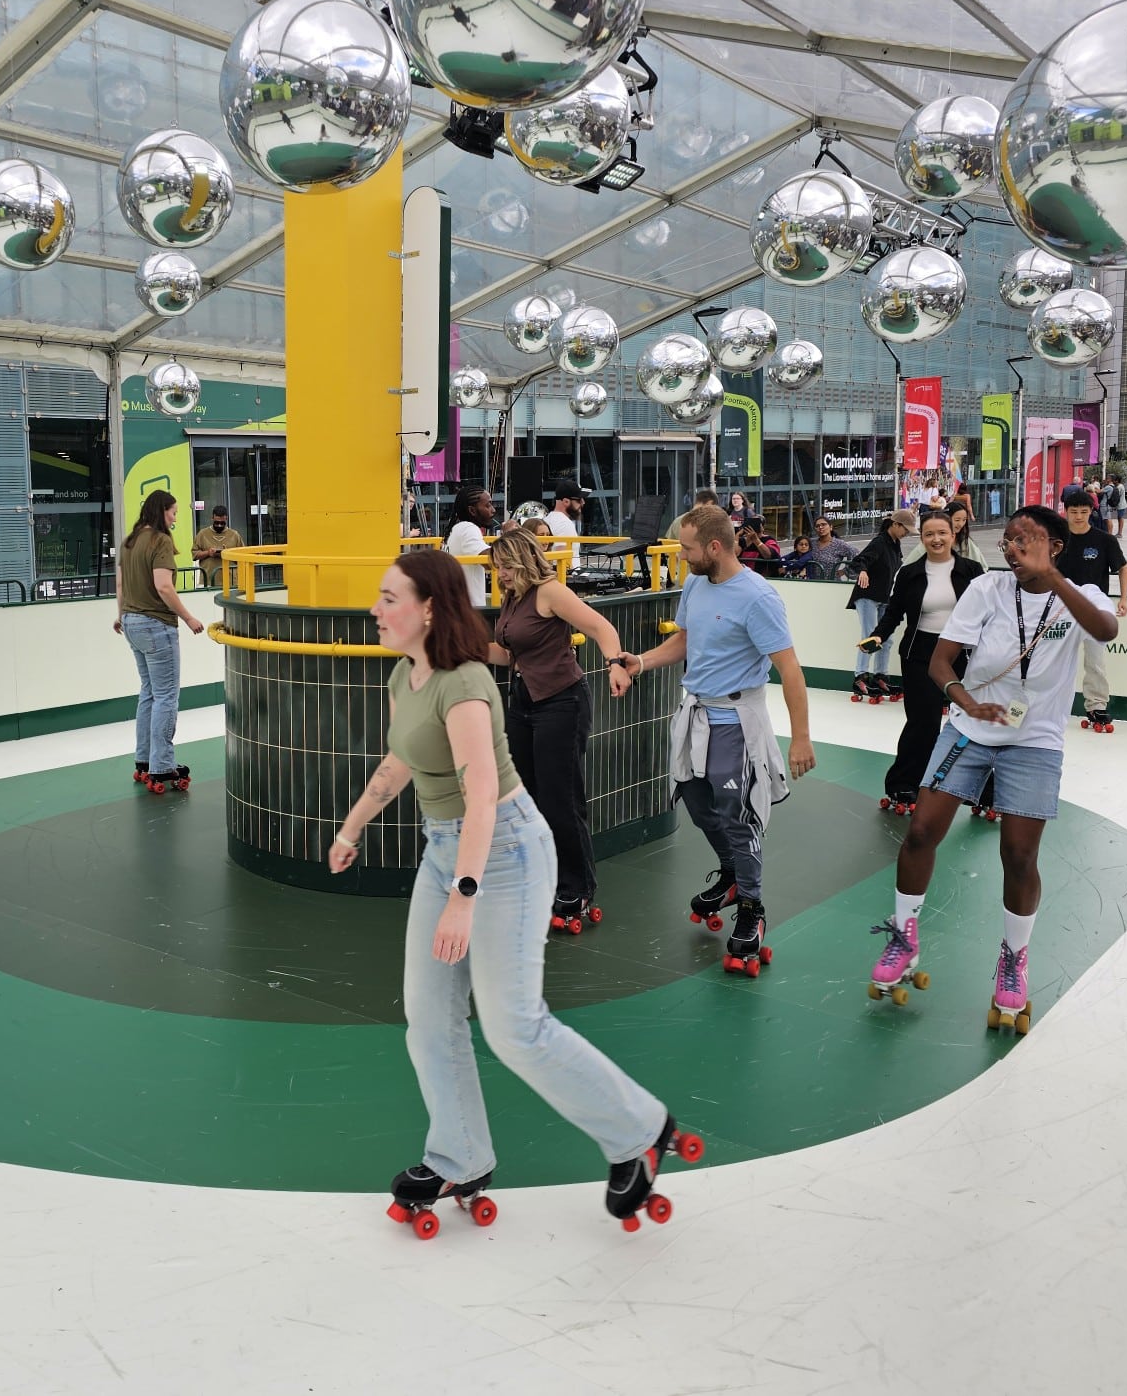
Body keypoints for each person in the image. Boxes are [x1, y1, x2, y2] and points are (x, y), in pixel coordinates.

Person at [328, 549, 699, 1235]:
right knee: (429, 1019)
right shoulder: (406, 678)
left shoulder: (467, 684)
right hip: (448, 852)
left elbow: (483, 798)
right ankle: (458, 1156)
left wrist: (464, 897)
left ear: (431, 607)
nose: (375, 610)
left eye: (389, 598)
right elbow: (403, 758)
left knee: (514, 1027)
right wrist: (352, 826)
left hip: (504, 855)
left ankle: (640, 1132)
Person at [870, 506, 1120, 1024]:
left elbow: (1106, 628)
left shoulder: (1081, 596)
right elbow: (941, 661)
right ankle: (903, 935)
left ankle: (1013, 959)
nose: (1011, 547)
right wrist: (963, 702)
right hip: (969, 728)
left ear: (1054, 545)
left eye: (1024, 539)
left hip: (1036, 741)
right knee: (920, 831)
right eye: (1006, 540)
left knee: (1019, 855)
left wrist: (1054, 579)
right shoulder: (986, 590)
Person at [616, 504, 816, 976]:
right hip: (696, 712)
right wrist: (640, 662)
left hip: (736, 719)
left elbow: (789, 669)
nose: (680, 556)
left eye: (686, 548)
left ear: (714, 546)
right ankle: (731, 874)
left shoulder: (758, 597)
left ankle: (752, 908)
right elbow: (685, 640)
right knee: (696, 802)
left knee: (737, 814)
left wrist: (801, 737)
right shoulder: (694, 585)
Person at [482, 530, 633, 935]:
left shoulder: (550, 591)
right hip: (524, 702)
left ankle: (577, 887)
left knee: (560, 799)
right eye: (497, 568)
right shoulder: (511, 597)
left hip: (562, 702)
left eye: (506, 566)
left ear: (524, 560)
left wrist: (615, 663)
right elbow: (511, 655)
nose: (501, 575)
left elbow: (602, 628)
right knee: (526, 797)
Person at [857, 511, 985, 814]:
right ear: (922, 538)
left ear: (953, 535)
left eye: (942, 533)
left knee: (974, 722)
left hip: (964, 651)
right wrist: (877, 636)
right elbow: (894, 613)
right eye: (929, 534)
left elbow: (990, 611)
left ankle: (982, 789)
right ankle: (905, 784)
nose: (936, 539)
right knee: (923, 722)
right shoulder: (910, 572)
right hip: (920, 654)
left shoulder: (972, 570)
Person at [114, 489, 206, 792]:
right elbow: (164, 587)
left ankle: (144, 760)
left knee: (149, 693)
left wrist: (121, 615)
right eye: (174, 512)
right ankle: (163, 765)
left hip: (130, 622)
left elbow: (121, 584)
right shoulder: (160, 541)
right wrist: (188, 617)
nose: (175, 517)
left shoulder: (129, 541)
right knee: (166, 695)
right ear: (162, 511)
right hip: (156, 625)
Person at [1058, 488, 1127, 732]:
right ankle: (1043, 702)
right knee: (1050, 657)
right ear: (1065, 512)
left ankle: (1097, 705)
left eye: (1083, 512)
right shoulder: (1055, 540)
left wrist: (1123, 598)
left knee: (1095, 660)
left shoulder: (1104, 540)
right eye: (1073, 512)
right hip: (1059, 606)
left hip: (1094, 608)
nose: (1078, 516)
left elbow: (1123, 567)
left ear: (1091, 512)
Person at [848, 511, 916, 702]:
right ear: (894, 524)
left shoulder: (895, 545)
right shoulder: (879, 542)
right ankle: (860, 677)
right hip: (868, 595)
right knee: (870, 637)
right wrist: (862, 571)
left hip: (885, 597)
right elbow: (859, 561)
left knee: (887, 639)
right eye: (905, 529)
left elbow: (899, 568)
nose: (906, 533)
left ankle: (880, 676)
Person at [442, 484, 496, 608]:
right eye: (487, 505)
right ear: (472, 510)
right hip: (469, 611)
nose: (493, 510)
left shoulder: (456, 529)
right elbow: (491, 561)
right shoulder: (468, 529)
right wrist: (512, 536)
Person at [191, 504, 243, 588]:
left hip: (230, 581)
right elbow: (195, 554)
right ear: (212, 518)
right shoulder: (202, 534)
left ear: (226, 519)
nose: (219, 525)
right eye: (217, 522)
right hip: (208, 581)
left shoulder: (234, 535)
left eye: (222, 523)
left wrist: (228, 554)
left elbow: (242, 556)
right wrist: (208, 553)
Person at [544, 480, 586, 562]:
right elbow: (562, 560)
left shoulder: (547, 519)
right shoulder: (564, 524)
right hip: (569, 574)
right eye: (579, 500)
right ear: (566, 501)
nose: (583, 502)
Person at [806, 516, 856, 581]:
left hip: (832, 583)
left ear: (831, 527)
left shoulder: (839, 544)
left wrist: (844, 571)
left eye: (823, 524)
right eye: (817, 526)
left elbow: (856, 555)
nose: (820, 527)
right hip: (812, 583)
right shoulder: (811, 544)